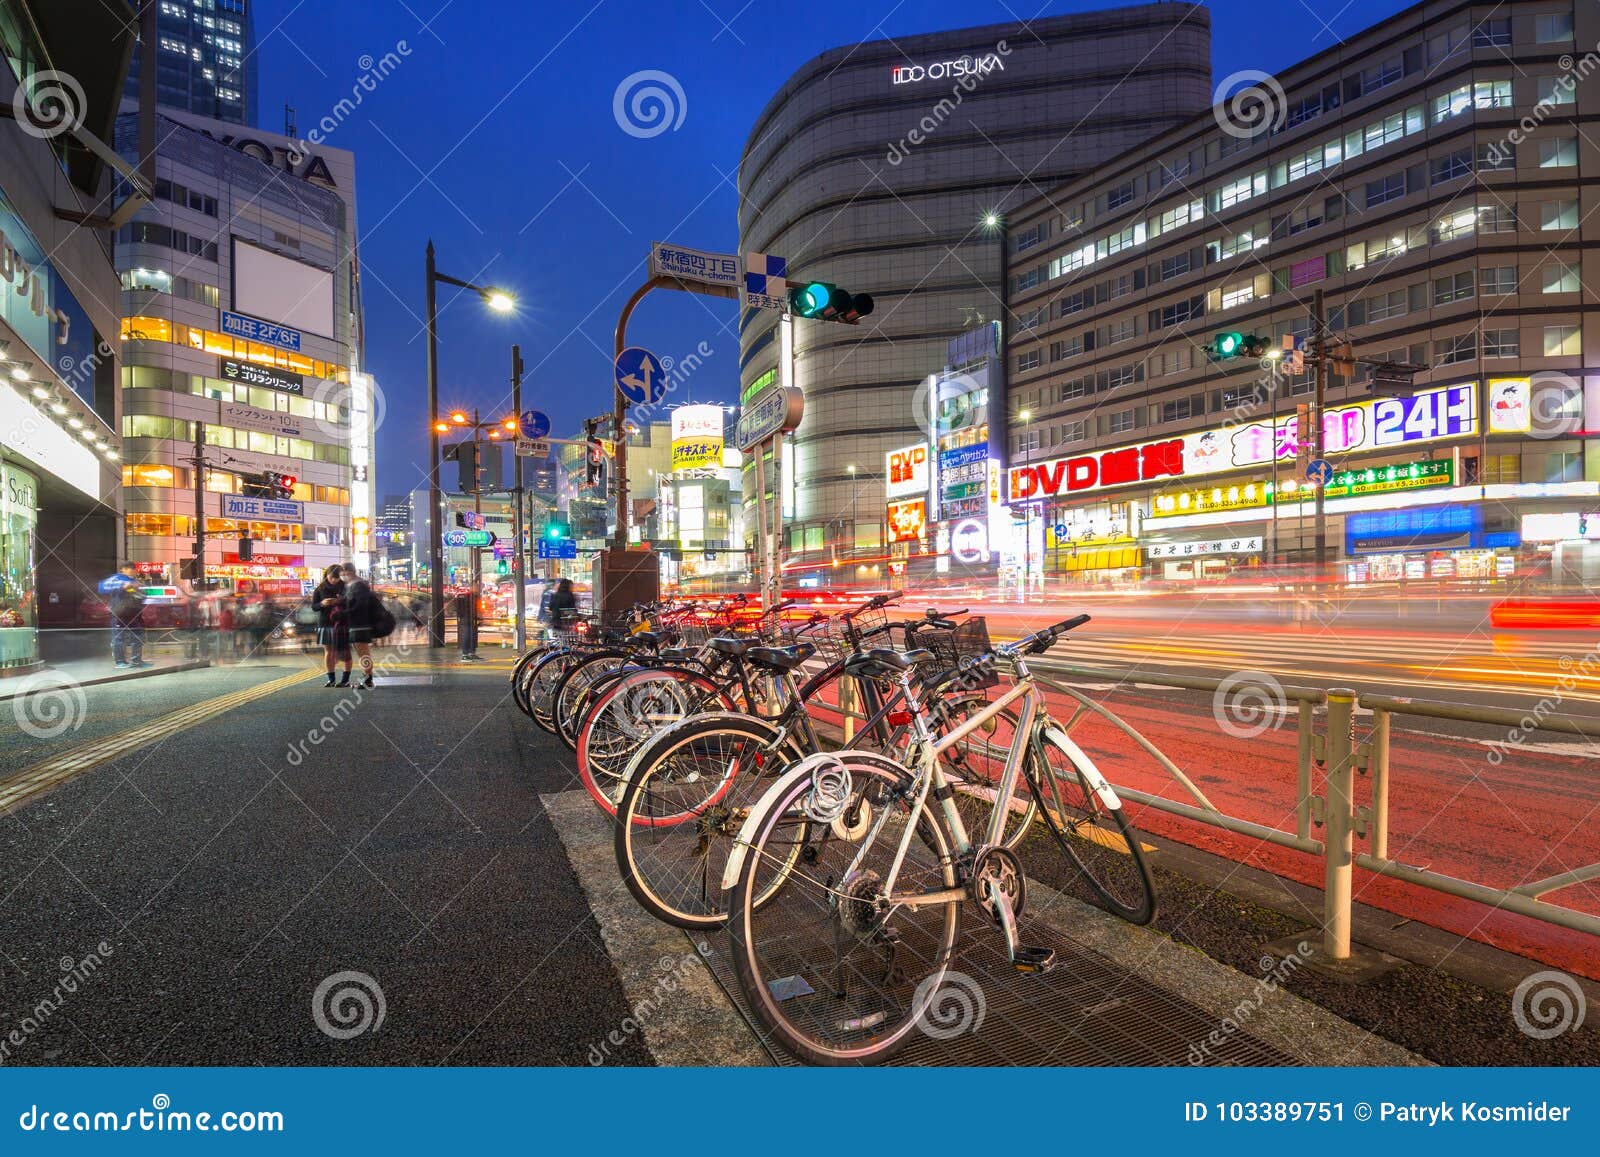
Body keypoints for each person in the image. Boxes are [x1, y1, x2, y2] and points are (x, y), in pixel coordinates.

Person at [98, 563, 150, 668]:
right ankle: (120, 662)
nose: (134, 570)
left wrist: (140, 590)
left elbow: (142, 595)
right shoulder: (117, 578)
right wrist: (124, 585)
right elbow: (102, 587)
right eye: (132, 568)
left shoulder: (134, 581)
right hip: (120, 613)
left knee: (137, 636)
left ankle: (137, 661)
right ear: (123, 569)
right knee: (119, 637)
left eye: (135, 568)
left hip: (134, 613)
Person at [339, 564, 380, 688]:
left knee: (363, 653)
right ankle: (366, 678)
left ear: (350, 572)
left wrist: (343, 611)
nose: (343, 577)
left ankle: (368, 680)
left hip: (360, 623)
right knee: (361, 653)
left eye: (344, 574)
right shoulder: (353, 585)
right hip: (356, 623)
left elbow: (359, 605)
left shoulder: (359, 585)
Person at [312, 564, 350, 687]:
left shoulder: (345, 587)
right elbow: (314, 607)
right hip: (325, 622)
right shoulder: (320, 588)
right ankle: (331, 678)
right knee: (328, 651)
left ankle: (345, 679)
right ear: (327, 574)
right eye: (331, 577)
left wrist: (341, 601)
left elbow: (352, 604)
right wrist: (322, 604)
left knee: (344, 651)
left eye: (336, 577)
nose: (333, 580)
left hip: (341, 622)